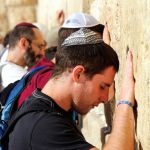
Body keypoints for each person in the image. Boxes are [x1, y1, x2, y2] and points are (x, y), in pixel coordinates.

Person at [2, 28, 135, 150]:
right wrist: (125, 103)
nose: (105, 98)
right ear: (78, 74)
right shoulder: (42, 127)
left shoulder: (45, 106)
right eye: (102, 87)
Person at [0, 22, 47, 89]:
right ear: (24, 43)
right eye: (40, 46)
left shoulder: (8, 54)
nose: (42, 53)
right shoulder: (16, 76)